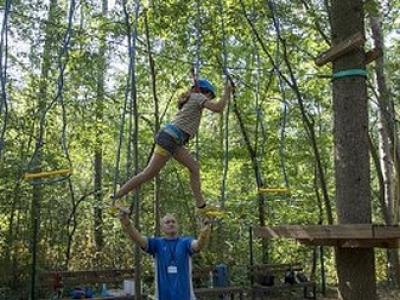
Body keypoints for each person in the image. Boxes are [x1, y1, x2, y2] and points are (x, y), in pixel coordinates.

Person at [113, 79, 233, 210]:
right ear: (205, 93)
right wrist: (227, 92)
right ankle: (117, 196)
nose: (209, 99)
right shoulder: (197, 97)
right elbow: (218, 108)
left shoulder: (193, 99)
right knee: (149, 173)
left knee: (191, 168)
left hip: (173, 139)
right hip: (170, 138)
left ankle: (200, 204)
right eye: (210, 96)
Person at [118, 209, 211, 300]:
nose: (171, 224)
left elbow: (198, 245)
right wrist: (127, 223)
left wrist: (205, 231)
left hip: (185, 296)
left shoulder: (186, 242)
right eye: (167, 222)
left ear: (177, 225)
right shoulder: (156, 243)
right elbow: (138, 239)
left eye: (173, 221)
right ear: (162, 227)